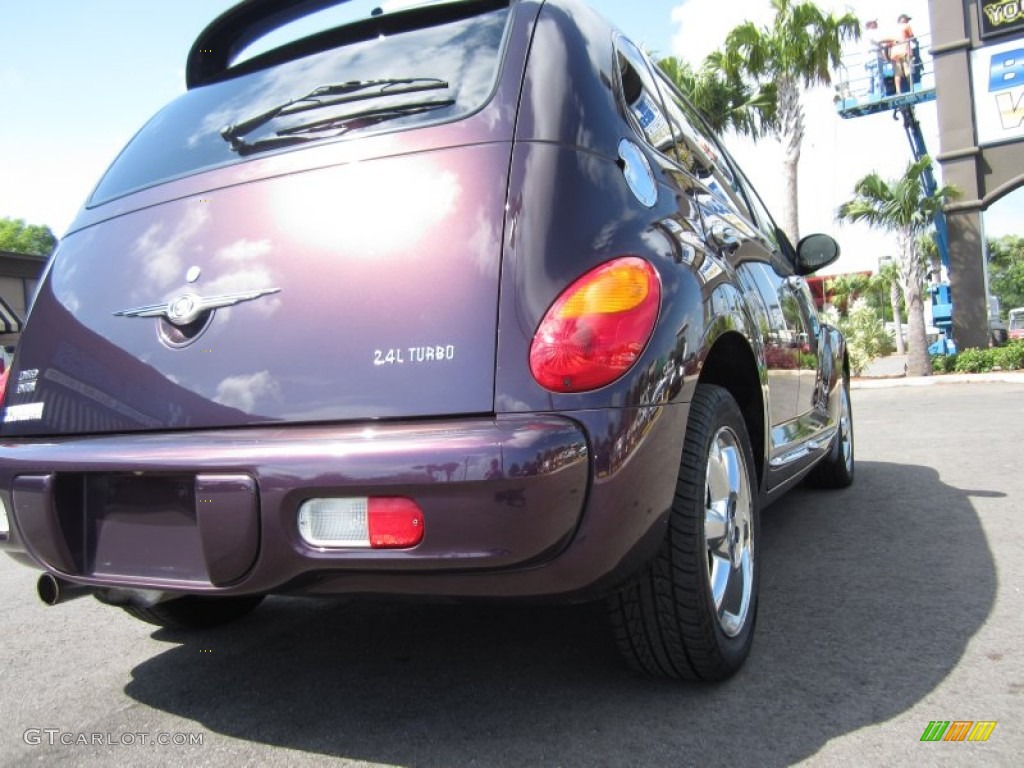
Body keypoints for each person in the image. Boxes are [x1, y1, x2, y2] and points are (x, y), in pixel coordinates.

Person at [889, 13, 916, 94]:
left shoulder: (892, 29)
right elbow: (912, 36)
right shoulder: (906, 26)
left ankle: (898, 91)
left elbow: (888, 42)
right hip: (905, 51)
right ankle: (912, 88)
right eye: (907, 20)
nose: (907, 21)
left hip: (895, 53)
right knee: (908, 72)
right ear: (903, 20)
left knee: (897, 74)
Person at [863, 19, 888, 98]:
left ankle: (870, 95)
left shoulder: (865, 34)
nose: (876, 24)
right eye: (875, 22)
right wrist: (892, 40)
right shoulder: (871, 32)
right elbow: (879, 41)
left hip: (868, 58)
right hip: (875, 56)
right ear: (871, 24)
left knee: (870, 77)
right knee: (878, 75)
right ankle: (879, 94)